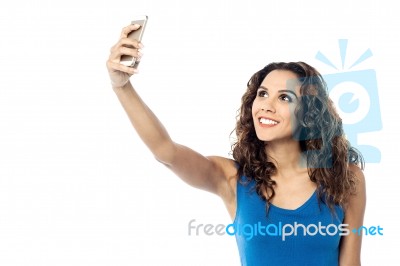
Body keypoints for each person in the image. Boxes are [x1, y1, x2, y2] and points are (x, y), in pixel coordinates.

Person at [106, 24, 366, 266]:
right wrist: (122, 87)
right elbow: (166, 151)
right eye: (262, 94)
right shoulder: (232, 178)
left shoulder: (346, 177)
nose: (266, 104)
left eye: (284, 97)